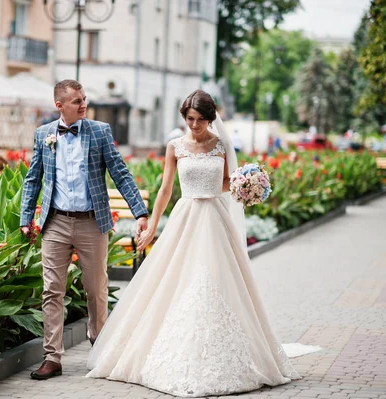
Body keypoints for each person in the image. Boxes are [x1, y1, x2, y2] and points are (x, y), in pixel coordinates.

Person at [86, 90, 303, 397]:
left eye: (201, 119)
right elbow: (164, 189)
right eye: (190, 119)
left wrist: (246, 185)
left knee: (218, 280)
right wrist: (151, 225)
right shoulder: (175, 146)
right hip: (185, 217)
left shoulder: (221, 145)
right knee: (174, 281)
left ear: (211, 119)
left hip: (215, 219)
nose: (195, 124)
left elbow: (227, 181)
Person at [20, 79, 148, 380]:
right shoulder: (44, 135)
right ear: (59, 105)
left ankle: (99, 347)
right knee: (52, 290)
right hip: (55, 222)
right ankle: (52, 357)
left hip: (93, 222)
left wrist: (140, 212)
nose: (83, 104)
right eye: (76, 100)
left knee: (95, 289)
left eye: (84, 98)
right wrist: (26, 217)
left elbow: (120, 172)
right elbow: (33, 178)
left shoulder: (100, 132)